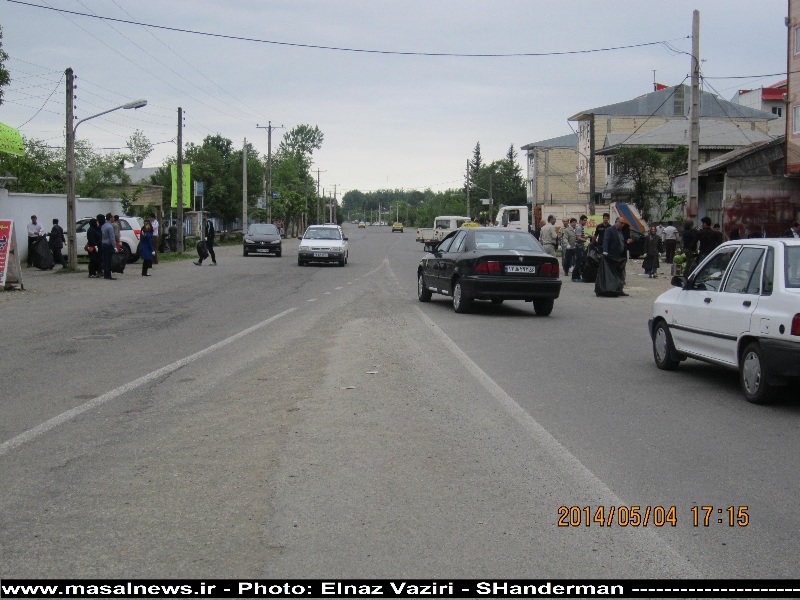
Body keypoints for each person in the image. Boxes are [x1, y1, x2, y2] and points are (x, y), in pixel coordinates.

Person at [599, 217, 629, 296]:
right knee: (612, 274)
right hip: (612, 256)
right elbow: (606, 240)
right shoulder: (610, 230)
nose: (622, 225)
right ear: (617, 222)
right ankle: (612, 289)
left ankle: (620, 289)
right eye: (621, 223)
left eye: (623, 224)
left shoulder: (621, 231)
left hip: (621, 256)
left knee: (620, 273)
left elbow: (621, 241)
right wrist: (605, 251)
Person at [99, 213, 116, 280]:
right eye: (113, 217)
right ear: (110, 218)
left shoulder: (103, 226)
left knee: (105, 260)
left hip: (103, 244)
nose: (114, 219)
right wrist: (114, 246)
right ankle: (108, 275)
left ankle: (106, 274)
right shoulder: (110, 227)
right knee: (108, 261)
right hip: (108, 245)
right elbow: (112, 237)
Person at [572, 215, 589, 282]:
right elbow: (578, 238)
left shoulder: (581, 227)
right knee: (578, 262)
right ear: (581, 220)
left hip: (580, 246)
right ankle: (574, 277)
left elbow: (581, 236)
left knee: (580, 262)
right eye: (584, 220)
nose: (585, 222)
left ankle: (578, 276)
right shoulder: (579, 227)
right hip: (578, 247)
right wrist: (586, 240)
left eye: (586, 220)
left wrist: (587, 236)